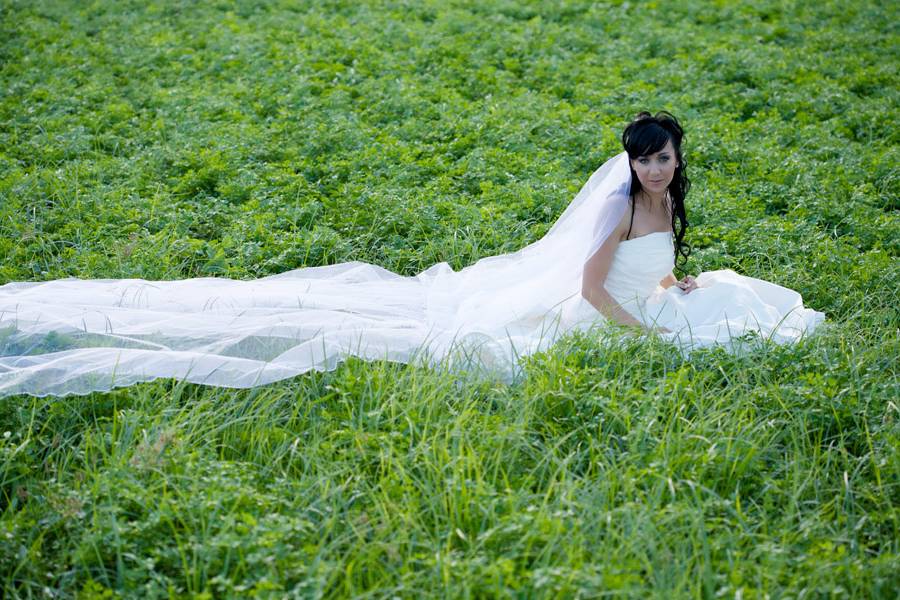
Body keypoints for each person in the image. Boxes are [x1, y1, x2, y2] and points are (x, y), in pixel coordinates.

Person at [0, 112, 824, 397]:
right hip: (607, 310)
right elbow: (591, 283)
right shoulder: (615, 208)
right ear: (630, 160)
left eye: (666, 156)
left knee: (738, 300)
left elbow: (655, 264)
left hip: (649, 297)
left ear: (678, 158)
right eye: (645, 158)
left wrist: (675, 283)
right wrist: (641, 331)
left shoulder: (670, 198)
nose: (656, 168)